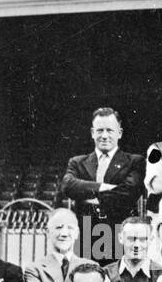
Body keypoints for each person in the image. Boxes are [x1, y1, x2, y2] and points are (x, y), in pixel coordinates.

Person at [58, 107, 144, 262]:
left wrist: (87, 196)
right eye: (100, 130)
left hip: (118, 234)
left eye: (110, 130)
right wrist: (102, 187)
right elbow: (67, 185)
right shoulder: (77, 162)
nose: (104, 136)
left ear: (120, 133)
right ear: (92, 133)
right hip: (85, 235)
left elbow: (129, 193)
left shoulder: (134, 161)